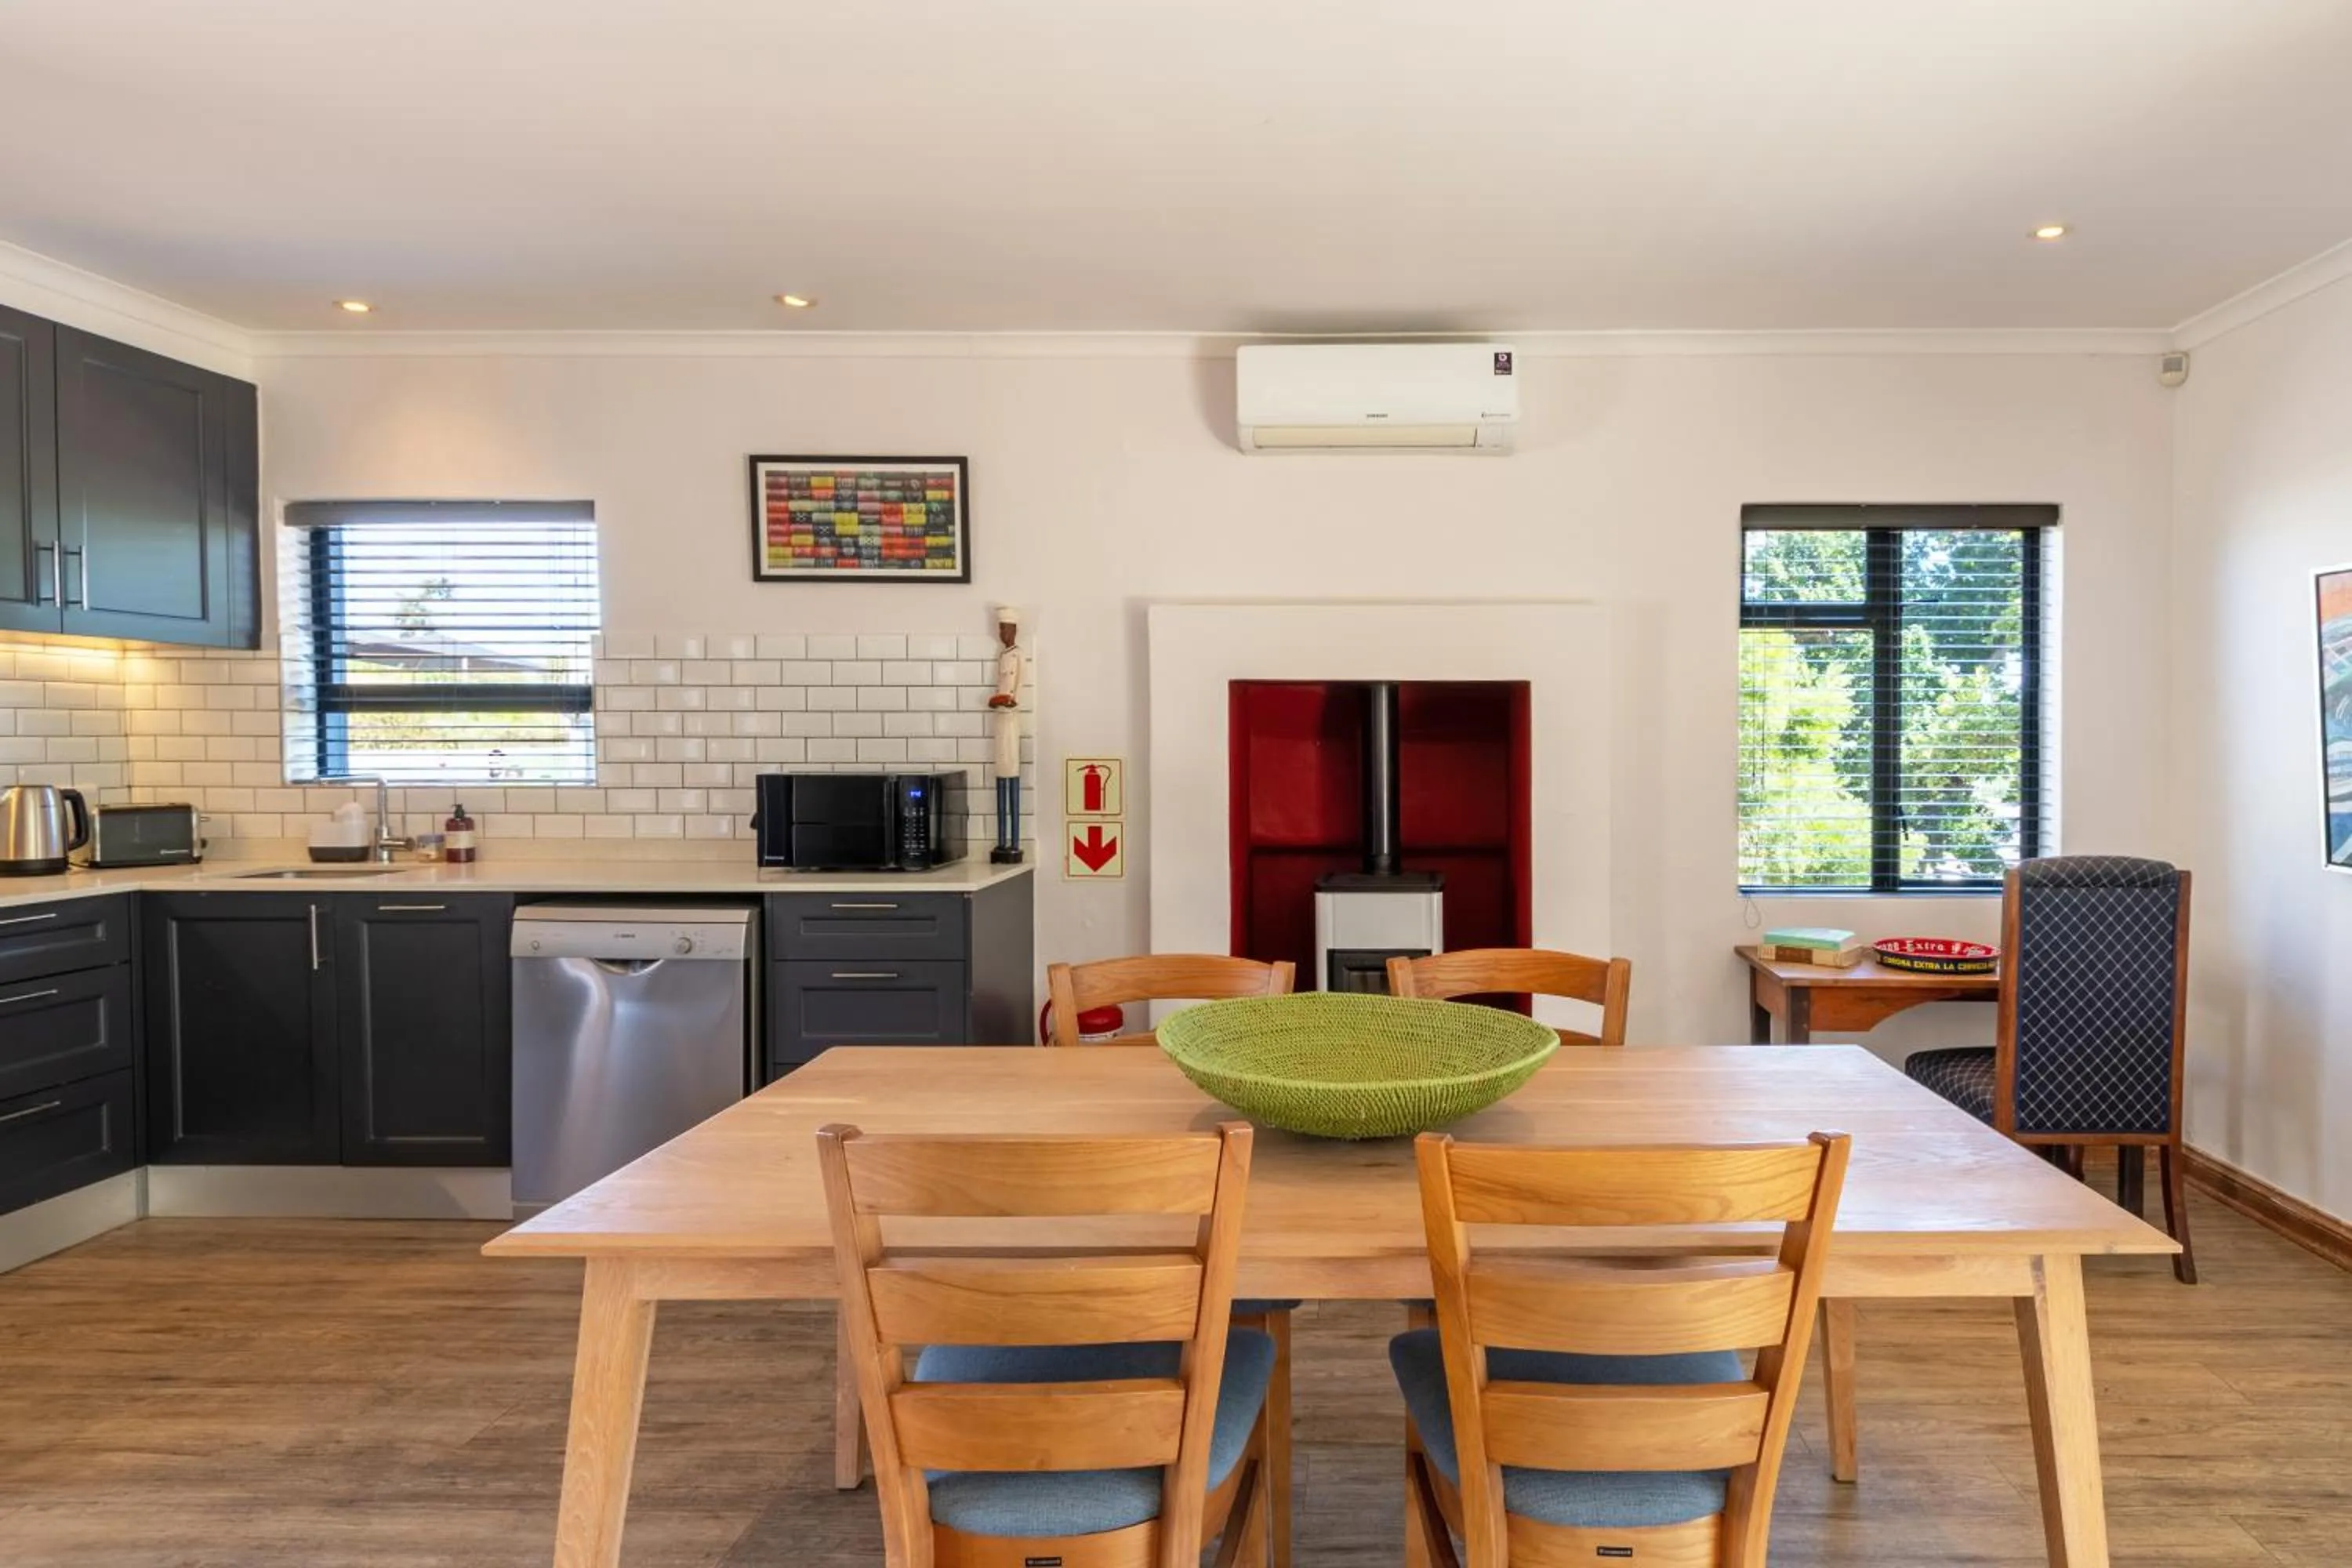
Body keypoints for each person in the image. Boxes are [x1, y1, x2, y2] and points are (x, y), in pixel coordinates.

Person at [988, 607, 1026, 862]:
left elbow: (1018, 687)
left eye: (1006, 628)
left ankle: (1013, 842)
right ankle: (1002, 842)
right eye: (1000, 628)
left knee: (1011, 770)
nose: (1003, 633)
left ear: (1015, 630)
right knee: (1001, 771)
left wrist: (1010, 702)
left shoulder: (1018, 655)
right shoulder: (1002, 655)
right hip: (1000, 716)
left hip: (1010, 717)